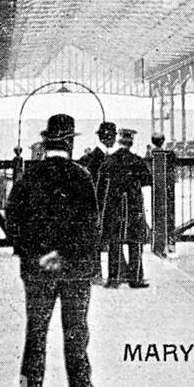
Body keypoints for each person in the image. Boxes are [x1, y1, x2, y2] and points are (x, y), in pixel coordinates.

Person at [7, 113, 110, 387]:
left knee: (34, 335)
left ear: (46, 142)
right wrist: (64, 254)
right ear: (69, 143)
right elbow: (91, 226)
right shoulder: (81, 176)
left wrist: (38, 253)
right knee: (76, 334)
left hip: (37, 270)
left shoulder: (28, 176)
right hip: (75, 270)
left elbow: (13, 220)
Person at [100, 128, 153, 289]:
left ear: (119, 141)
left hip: (114, 205)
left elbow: (102, 182)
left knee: (114, 242)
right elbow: (146, 180)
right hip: (133, 205)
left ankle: (113, 278)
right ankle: (135, 278)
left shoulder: (110, 160)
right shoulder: (136, 160)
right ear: (131, 143)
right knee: (135, 242)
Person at [79, 121, 117, 284]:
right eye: (113, 136)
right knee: (98, 238)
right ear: (108, 138)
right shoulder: (101, 159)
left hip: (98, 204)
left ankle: (98, 273)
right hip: (100, 204)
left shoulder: (94, 157)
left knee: (98, 238)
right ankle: (96, 274)